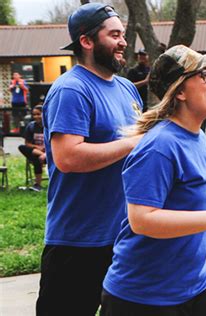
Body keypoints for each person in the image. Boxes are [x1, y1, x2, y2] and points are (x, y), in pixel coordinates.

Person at [101, 45, 206, 315]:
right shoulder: (160, 146)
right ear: (181, 92)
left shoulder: (197, 137)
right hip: (144, 295)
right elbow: (141, 220)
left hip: (195, 281)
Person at [36, 4, 143, 315]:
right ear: (86, 41)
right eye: (114, 35)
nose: (123, 41)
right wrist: (134, 142)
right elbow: (68, 157)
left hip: (124, 237)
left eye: (123, 34)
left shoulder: (126, 89)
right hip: (78, 242)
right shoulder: (71, 89)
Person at [18, 105, 46, 191]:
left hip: (50, 153)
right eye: (34, 114)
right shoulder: (31, 126)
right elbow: (27, 143)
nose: (36, 117)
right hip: (37, 152)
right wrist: (37, 148)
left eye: (38, 114)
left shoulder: (50, 125)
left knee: (36, 158)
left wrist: (45, 153)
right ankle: (38, 185)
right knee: (22, 147)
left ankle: (37, 184)